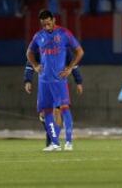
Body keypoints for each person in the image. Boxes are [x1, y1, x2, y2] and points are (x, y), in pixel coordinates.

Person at [26, 9, 84, 151]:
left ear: (54, 20)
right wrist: (35, 65)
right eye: (43, 25)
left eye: (48, 24)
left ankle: (69, 142)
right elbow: (29, 53)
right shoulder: (38, 36)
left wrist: (71, 69)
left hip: (59, 80)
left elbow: (79, 51)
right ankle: (55, 143)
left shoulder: (64, 34)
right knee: (46, 112)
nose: (46, 27)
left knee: (64, 109)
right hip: (43, 81)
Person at [24, 50, 83, 148]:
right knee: (43, 115)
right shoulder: (39, 46)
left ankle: (54, 142)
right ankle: (52, 139)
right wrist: (27, 80)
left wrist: (79, 81)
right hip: (44, 86)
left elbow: (73, 65)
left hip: (59, 84)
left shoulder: (64, 47)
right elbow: (30, 64)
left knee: (57, 111)